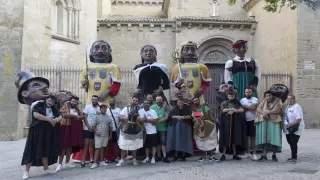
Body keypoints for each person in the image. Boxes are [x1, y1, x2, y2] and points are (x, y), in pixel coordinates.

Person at [21, 95, 62, 179]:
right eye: (49, 101)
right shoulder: (39, 105)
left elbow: (61, 116)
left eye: (53, 102)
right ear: (46, 99)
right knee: (31, 150)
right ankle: (26, 172)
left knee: (45, 148)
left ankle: (45, 168)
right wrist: (48, 119)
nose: (51, 103)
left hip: (47, 132)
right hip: (36, 132)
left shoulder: (54, 107)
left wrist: (56, 120)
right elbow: (35, 114)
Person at [80, 40, 122, 106]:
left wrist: (108, 92)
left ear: (109, 51)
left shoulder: (114, 67)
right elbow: (85, 87)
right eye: (96, 48)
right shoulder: (86, 67)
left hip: (106, 102)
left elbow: (117, 84)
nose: (100, 51)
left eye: (104, 48)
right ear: (91, 51)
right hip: (91, 102)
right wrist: (84, 83)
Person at [56, 95, 84, 172]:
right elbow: (64, 114)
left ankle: (67, 163)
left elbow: (82, 115)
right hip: (66, 127)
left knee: (70, 146)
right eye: (73, 101)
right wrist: (74, 116)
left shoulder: (77, 108)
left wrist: (80, 116)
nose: (74, 103)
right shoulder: (65, 106)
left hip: (74, 129)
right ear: (70, 101)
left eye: (75, 102)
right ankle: (59, 164)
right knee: (64, 146)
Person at [255, 90, 283, 162]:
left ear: (273, 95)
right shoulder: (264, 101)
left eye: (269, 95)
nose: (268, 97)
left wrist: (268, 112)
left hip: (275, 121)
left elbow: (279, 110)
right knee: (266, 138)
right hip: (266, 121)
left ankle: (274, 155)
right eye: (266, 96)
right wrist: (263, 113)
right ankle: (264, 155)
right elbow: (258, 108)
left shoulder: (278, 100)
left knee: (274, 139)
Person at [219, 89, 246, 161]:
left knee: (234, 138)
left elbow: (242, 109)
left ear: (234, 96)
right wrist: (232, 109)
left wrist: (236, 110)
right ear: (227, 96)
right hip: (226, 123)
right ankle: (223, 154)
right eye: (229, 95)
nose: (231, 96)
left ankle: (234, 154)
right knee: (226, 138)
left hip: (235, 123)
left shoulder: (237, 102)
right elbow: (223, 110)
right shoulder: (224, 103)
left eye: (232, 95)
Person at [116, 96, 143, 167]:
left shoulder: (140, 110)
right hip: (125, 130)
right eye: (133, 100)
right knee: (123, 145)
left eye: (136, 101)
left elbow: (142, 119)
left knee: (134, 145)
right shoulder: (126, 108)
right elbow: (120, 117)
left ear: (138, 102)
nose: (135, 102)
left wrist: (135, 120)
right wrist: (128, 119)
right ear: (131, 101)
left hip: (134, 130)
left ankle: (134, 159)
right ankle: (122, 160)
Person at [192, 97, 218, 162]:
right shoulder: (194, 110)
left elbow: (208, 116)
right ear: (193, 102)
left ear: (199, 100)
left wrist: (199, 119)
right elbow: (193, 119)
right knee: (202, 141)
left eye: (197, 100)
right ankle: (204, 156)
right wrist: (196, 120)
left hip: (208, 125)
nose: (196, 101)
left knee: (210, 141)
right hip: (200, 127)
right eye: (194, 101)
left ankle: (211, 156)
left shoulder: (205, 107)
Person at [80, 95, 101, 168]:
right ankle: (83, 161)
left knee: (92, 145)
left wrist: (94, 128)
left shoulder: (99, 109)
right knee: (86, 145)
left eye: (96, 99)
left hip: (94, 129)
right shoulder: (88, 107)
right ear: (91, 100)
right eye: (93, 99)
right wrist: (88, 127)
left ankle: (91, 159)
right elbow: (85, 118)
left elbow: (98, 119)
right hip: (87, 128)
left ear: (98, 100)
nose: (94, 101)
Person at [283, 95, 304, 162]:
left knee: (293, 142)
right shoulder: (287, 107)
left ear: (294, 99)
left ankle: (294, 157)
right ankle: (293, 156)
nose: (289, 100)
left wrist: (290, 124)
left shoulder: (297, 107)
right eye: (288, 99)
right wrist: (287, 124)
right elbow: (285, 117)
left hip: (296, 127)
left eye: (291, 99)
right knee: (289, 141)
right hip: (288, 128)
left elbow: (298, 119)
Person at [91, 104, 113, 169]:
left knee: (103, 148)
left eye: (105, 108)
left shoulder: (108, 117)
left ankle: (102, 161)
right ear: (100, 109)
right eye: (102, 108)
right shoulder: (97, 117)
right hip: (98, 135)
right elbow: (93, 126)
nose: (104, 109)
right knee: (98, 148)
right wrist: (96, 132)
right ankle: (95, 162)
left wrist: (110, 134)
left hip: (105, 135)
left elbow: (110, 127)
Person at [240, 87, 259, 161]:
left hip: (253, 120)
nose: (248, 93)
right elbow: (242, 109)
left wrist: (246, 108)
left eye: (249, 92)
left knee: (253, 137)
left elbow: (253, 108)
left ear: (252, 92)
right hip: (245, 120)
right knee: (246, 137)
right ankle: (248, 153)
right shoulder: (242, 100)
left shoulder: (255, 99)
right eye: (246, 92)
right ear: (245, 93)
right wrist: (249, 108)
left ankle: (254, 153)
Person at [151, 96, 171, 163]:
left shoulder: (166, 107)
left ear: (162, 100)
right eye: (157, 100)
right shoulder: (152, 107)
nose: (158, 101)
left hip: (163, 128)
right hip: (154, 129)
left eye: (160, 100)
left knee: (163, 143)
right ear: (155, 100)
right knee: (157, 143)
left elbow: (166, 117)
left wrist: (157, 122)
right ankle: (159, 156)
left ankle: (165, 157)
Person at [105, 97, 122, 163]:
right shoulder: (106, 110)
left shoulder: (118, 110)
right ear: (109, 102)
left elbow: (121, 120)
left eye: (113, 101)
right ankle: (106, 158)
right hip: (108, 130)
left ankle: (116, 157)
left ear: (115, 102)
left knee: (116, 144)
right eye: (111, 101)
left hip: (116, 129)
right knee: (107, 144)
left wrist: (118, 127)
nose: (112, 102)